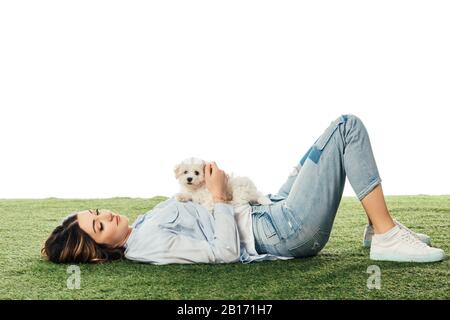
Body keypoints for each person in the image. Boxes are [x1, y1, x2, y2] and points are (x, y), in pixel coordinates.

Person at [42, 114, 446, 264]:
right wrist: (217, 194)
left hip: (266, 208)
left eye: (96, 212)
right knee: (347, 128)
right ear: (97, 253)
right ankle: (386, 236)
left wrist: (223, 192)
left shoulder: (142, 225)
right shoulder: (145, 245)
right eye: (98, 227)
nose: (106, 216)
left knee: (319, 149)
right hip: (281, 231)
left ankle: (378, 227)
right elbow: (222, 252)